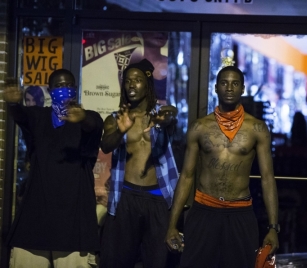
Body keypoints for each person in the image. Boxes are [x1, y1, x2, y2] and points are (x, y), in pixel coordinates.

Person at [165, 66, 279, 268]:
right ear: (216, 88)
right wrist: (172, 224)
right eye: (224, 83)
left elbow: (268, 178)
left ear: (242, 89)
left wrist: (272, 227)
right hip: (204, 211)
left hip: (240, 214)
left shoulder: (257, 128)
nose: (229, 88)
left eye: (235, 83)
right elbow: (187, 176)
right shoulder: (199, 127)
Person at [5, 69, 103, 268]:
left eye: (68, 85)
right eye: (58, 86)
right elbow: (21, 115)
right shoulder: (38, 117)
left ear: (75, 89)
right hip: (34, 221)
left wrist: (82, 117)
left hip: (74, 225)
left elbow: (92, 125)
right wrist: (13, 103)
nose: (64, 89)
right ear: (49, 91)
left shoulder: (89, 119)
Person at [99, 59, 179, 268]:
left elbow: (171, 115)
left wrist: (166, 118)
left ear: (148, 84)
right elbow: (106, 146)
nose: (132, 85)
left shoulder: (161, 115)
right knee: (117, 261)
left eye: (137, 80)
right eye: (127, 81)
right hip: (126, 197)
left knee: (157, 261)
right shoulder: (115, 119)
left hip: (157, 199)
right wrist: (121, 131)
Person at [130, 31, 169, 105]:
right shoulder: (133, 64)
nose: (161, 32)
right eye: (154, 27)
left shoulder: (173, 65)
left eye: (165, 29)